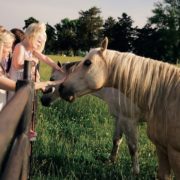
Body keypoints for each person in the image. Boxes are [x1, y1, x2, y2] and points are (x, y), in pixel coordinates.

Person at [8, 22, 63, 100]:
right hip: (15, 84)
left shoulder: (31, 50)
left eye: (41, 43)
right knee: (14, 104)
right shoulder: (20, 47)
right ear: (31, 36)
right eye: (38, 41)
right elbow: (17, 65)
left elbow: (45, 58)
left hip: (25, 84)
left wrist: (56, 67)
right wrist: (30, 61)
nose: (40, 45)